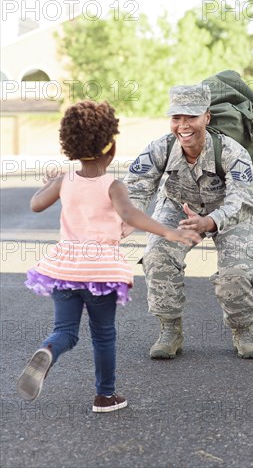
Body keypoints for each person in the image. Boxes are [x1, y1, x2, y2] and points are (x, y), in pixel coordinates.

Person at [17, 100, 200, 413]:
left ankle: (48, 350)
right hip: (100, 270)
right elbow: (130, 214)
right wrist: (168, 232)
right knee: (103, 335)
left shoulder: (65, 181)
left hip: (65, 268)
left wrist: (55, 180)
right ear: (111, 148)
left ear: (70, 147)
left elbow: (35, 204)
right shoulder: (113, 185)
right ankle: (105, 396)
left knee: (65, 332)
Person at [124, 83, 253, 360]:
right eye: (176, 118)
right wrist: (127, 218)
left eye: (191, 117)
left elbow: (244, 200)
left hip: (233, 210)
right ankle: (170, 330)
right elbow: (136, 187)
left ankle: (243, 330)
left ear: (207, 118)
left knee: (235, 272)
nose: (183, 125)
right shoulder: (160, 147)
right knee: (157, 255)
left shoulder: (232, 152)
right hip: (181, 205)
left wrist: (210, 222)